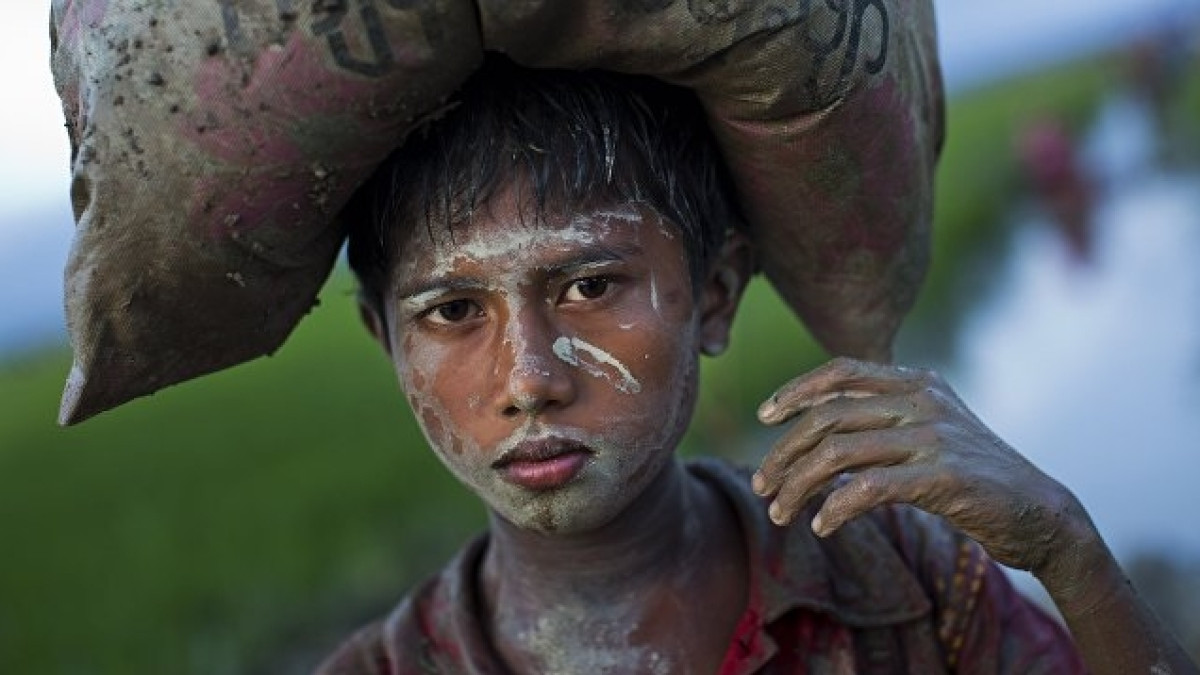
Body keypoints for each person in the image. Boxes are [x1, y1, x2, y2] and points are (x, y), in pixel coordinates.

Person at [315, 56, 1198, 674]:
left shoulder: (903, 578)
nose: (528, 379)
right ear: (387, 340)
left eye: (590, 285)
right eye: (454, 311)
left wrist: (1065, 547)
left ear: (716, 294)